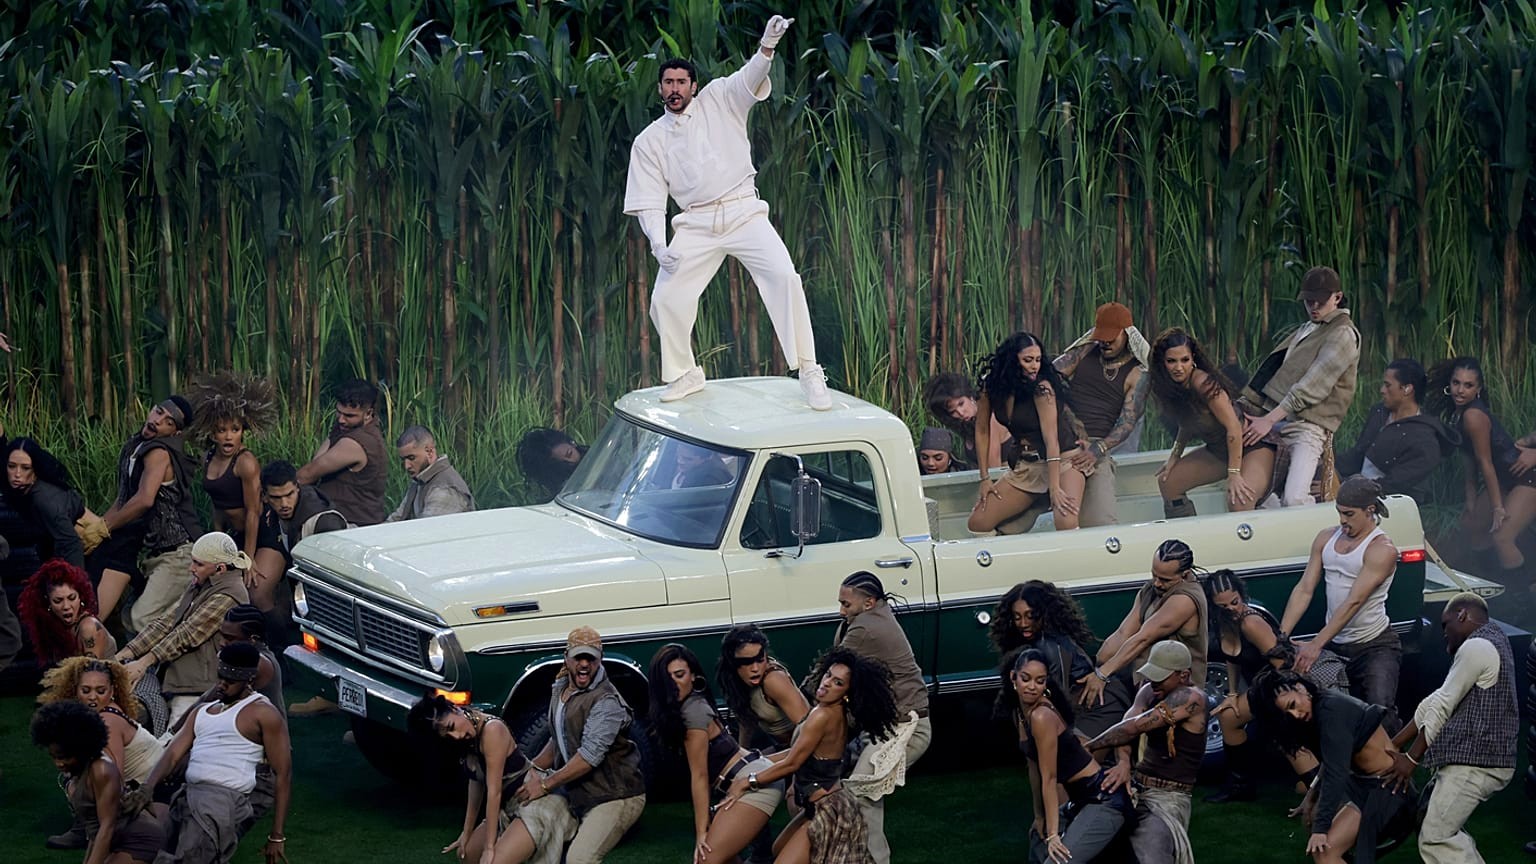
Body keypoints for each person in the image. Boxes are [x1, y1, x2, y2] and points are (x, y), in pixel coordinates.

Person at [623, 16, 831, 411]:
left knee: (785, 277)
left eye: (681, 82)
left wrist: (767, 47)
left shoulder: (720, 97)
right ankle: (685, 373)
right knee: (664, 298)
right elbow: (649, 199)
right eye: (668, 83)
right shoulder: (648, 140)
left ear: (694, 86)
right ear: (660, 89)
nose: (674, 89)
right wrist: (658, 245)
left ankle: (808, 369)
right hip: (695, 223)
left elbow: (749, 78)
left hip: (743, 211)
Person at [722, 646, 897, 864]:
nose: (827, 683)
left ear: (847, 693)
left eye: (838, 683)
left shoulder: (822, 716)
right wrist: (754, 762)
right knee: (778, 848)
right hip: (820, 806)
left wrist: (748, 781)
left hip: (828, 811)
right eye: (828, 675)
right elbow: (797, 755)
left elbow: (791, 764)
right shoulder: (829, 711)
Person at [1382, 594, 1517, 863]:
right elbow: (1434, 702)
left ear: (1462, 615)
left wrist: (1411, 759)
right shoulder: (1492, 640)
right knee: (1428, 820)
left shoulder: (1476, 646)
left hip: (1476, 762)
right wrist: (1394, 744)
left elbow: (1443, 705)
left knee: (1436, 836)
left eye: (1446, 624)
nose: (1444, 633)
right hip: (1477, 759)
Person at [1203, 568, 1349, 803]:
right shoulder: (1223, 621)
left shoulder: (1250, 623)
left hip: (1283, 682)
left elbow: (1284, 667)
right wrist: (1232, 693)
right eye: (1224, 606)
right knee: (1229, 716)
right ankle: (1241, 785)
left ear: (1241, 595)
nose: (1231, 609)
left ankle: (1323, 793)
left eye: (1234, 602)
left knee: (1279, 726)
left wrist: (1269, 702)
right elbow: (1232, 657)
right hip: (1262, 685)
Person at [144, 642, 292, 864]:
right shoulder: (202, 711)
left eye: (230, 681)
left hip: (220, 802)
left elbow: (283, 774)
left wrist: (277, 835)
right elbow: (172, 754)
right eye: (220, 677)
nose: (221, 685)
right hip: (187, 796)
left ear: (249, 679)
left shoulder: (263, 713)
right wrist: (147, 788)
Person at [1248, 670, 1415, 864]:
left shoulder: (1330, 710)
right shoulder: (1315, 713)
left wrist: (1320, 830)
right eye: (1287, 714)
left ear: (1300, 688)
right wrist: (1311, 795)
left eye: (1292, 705)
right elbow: (1330, 759)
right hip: (1363, 786)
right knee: (1312, 819)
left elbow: (1337, 772)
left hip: (1389, 789)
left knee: (1324, 851)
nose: (1296, 715)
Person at [511, 626, 647, 864]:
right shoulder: (561, 686)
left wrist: (544, 784)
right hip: (579, 793)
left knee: (579, 860)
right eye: (578, 657)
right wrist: (530, 770)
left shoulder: (606, 701)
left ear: (600, 660)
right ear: (567, 658)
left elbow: (588, 757)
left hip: (614, 796)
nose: (584, 664)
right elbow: (558, 738)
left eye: (590, 658)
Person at [1278, 477, 1402, 732]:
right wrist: (1281, 637)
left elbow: (1354, 601)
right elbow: (1304, 589)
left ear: (1369, 510)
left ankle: (1395, 755)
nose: (1343, 520)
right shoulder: (1326, 538)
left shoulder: (1381, 549)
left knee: (1381, 711)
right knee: (1336, 713)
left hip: (1374, 645)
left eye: (1349, 514)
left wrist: (1315, 645)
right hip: (1336, 644)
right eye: (1339, 513)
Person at [648, 643, 783, 864]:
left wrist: (701, 833)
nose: (673, 684)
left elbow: (699, 776)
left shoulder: (693, 712)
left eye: (680, 675)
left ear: (693, 676)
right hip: (741, 778)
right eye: (667, 678)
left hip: (752, 782)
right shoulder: (685, 707)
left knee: (705, 859)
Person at [1240, 266, 1361, 506]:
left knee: (1294, 499)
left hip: (1310, 427)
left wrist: (1268, 421)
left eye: (1320, 301)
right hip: (1281, 421)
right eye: (1308, 301)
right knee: (1255, 495)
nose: (1314, 306)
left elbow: (1311, 387)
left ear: (1337, 297)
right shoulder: (1308, 328)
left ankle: (1324, 522)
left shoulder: (1343, 333)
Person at [833, 572, 932, 864]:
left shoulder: (866, 628)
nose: (841, 611)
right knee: (844, 790)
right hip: (884, 727)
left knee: (862, 793)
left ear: (869, 603)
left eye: (846, 604)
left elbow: (833, 673)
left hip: (906, 729)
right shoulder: (868, 619)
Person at [1002, 648, 1132, 864]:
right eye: (1026, 679)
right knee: (1037, 841)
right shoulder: (1020, 713)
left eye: (1040, 681)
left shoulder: (1042, 716)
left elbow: (1050, 778)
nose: (1032, 687)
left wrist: (1054, 835)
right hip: (1079, 801)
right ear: (1013, 677)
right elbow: (1033, 768)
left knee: (1057, 860)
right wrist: (1040, 816)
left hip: (1102, 799)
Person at [1428, 356, 1536, 613]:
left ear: (1478, 389)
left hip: (1526, 478)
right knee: (1473, 525)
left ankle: (1523, 604)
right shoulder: (1460, 415)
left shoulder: (1474, 415)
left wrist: (1498, 508)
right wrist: (1471, 498)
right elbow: (1470, 459)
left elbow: (1486, 464)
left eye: (1468, 385)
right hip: (1507, 478)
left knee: (1502, 536)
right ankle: (1494, 587)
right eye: (1456, 383)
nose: (1460, 390)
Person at [408, 693, 568, 864]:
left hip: (533, 800)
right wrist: (466, 832)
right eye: (447, 735)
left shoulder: (492, 730)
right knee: (467, 854)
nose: (456, 736)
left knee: (493, 861)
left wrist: (489, 847)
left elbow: (494, 792)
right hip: (508, 806)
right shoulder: (468, 737)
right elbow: (476, 783)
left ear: (455, 709)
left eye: (451, 727)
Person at [1085, 640, 1207, 864]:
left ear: (1183, 675)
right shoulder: (1150, 690)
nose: (1153, 682)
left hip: (1168, 798)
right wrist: (1123, 762)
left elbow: (1134, 728)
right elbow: (1127, 725)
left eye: (1160, 677)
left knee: (1150, 854)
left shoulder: (1192, 699)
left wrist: (1090, 746)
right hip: (1137, 785)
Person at [113, 532, 251, 726]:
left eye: (198, 564)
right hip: (177, 678)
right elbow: (166, 622)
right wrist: (121, 656)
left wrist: (143, 663)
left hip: (197, 687)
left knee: (173, 739)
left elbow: (186, 634)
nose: (191, 568)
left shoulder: (228, 595)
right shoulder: (202, 583)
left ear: (220, 568)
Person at [93, 396, 204, 632]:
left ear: (175, 433)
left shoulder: (159, 452)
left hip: (179, 553)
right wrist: (99, 527)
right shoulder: (137, 446)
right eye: (158, 412)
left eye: (168, 422)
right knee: (127, 618)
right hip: (156, 554)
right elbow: (123, 500)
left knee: (140, 619)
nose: (158, 421)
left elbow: (144, 499)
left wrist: (104, 528)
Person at [37, 657, 167, 851]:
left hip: (156, 792)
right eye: (86, 690)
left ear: (112, 691)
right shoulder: (90, 717)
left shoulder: (108, 720)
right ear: (75, 690)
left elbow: (115, 777)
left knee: (77, 781)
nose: (93, 697)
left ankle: (90, 830)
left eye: (100, 691)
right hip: (139, 786)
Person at [970, 332, 1089, 533]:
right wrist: (985, 478)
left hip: (1063, 460)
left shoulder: (1042, 388)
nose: (1034, 366)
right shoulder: (991, 387)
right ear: (1012, 360)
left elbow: (1051, 440)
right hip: (1028, 465)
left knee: (1065, 521)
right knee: (978, 522)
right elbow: (982, 431)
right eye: (1028, 360)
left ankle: (1046, 499)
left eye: (1038, 360)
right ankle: (1036, 503)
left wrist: (1055, 488)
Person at [1149, 328, 1275, 517]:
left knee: (1239, 501)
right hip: (1219, 451)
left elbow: (1233, 427)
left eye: (1184, 360)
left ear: (1193, 359)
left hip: (1250, 446)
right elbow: (1187, 421)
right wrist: (1175, 455)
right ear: (1162, 362)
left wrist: (1234, 473)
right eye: (1171, 361)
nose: (1178, 367)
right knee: (1168, 482)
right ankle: (1186, 535)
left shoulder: (1203, 383)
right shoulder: (1171, 387)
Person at [187, 372, 285, 613]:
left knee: (255, 592)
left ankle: (279, 634)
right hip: (235, 536)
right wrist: (217, 543)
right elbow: (217, 505)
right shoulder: (208, 457)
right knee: (216, 588)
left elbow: (253, 512)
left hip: (263, 533)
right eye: (222, 430)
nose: (229, 436)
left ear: (243, 431)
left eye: (235, 429)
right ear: (213, 433)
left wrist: (247, 559)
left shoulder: (245, 462)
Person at [988, 580, 1129, 739]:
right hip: (1076, 709)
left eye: (1031, 616)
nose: (1023, 623)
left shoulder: (1050, 646)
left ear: (1044, 613)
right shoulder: (1026, 644)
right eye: (1017, 617)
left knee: (1071, 750)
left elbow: (1057, 700)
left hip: (1099, 705)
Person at [1053, 301, 1152, 526]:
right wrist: (1070, 417)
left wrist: (1098, 449)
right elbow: (1050, 375)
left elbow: (1127, 422)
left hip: (1098, 445)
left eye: (1111, 338)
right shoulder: (1087, 350)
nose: (1105, 343)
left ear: (1126, 334)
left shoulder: (1138, 373)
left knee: (1102, 522)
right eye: (1101, 337)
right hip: (1064, 439)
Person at [30, 700, 165, 864]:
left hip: (140, 840)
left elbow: (106, 827)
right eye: (54, 757)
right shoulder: (78, 771)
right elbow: (95, 831)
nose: (59, 763)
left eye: (64, 757)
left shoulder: (101, 770)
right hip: (114, 838)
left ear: (79, 748)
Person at [1080, 539, 1210, 708]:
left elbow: (1143, 638)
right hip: (1147, 685)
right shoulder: (1151, 590)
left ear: (1184, 575)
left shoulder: (1185, 600)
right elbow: (1123, 633)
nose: (1157, 583)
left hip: (1177, 693)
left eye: (1165, 579)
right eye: (1154, 575)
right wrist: (1095, 666)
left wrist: (1103, 674)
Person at [1334, 358, 1457, 504]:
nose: (1382, 390)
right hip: (1354, 486)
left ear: (1407, 389)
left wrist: (1346, 489)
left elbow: (1394, 484)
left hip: (1386, 502)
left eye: (1388, 385)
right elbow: (1358, 454)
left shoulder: (1425, 439)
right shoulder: (1379, 412)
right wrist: (1330, 471)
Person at [296, 378, 387, 527]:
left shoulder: (359, 441)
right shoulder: (346, 428)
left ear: (368, 413)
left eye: (349, 416)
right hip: (337, 519)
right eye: (339, 412)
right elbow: (317, 462)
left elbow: (307, 475)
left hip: (354, 525)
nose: (341, 420)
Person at [714, 624, 809, 751]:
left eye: (760, 660)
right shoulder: (735, 681)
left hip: (804, 749)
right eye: (746, 662)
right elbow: (746, 723)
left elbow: (809, 728)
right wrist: (741, 755)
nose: (755, 668)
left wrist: (787, 760)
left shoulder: (773, 680)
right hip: (784, 748)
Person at [4, 435, 87, 567]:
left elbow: (71, 544)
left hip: (90, 547)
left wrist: (75, 579)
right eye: (11, 466)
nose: (17, 474)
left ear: (35, 470)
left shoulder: (43, 499)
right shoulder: (25, 491)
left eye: (25, 468)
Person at [19, 559, 115, 664]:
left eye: (72, 598)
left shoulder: (88, 627)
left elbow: (92, 671)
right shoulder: (53, 627)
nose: (66, 606)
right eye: (58, 601)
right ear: (48, 602)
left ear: (80, 597)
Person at [258, 461, 348, 557]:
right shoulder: (269, 514)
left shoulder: (324, 522)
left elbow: (335, 559)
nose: (284, 504)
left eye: (289, 494)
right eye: (276, 498)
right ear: (264, 496)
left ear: (297, 488)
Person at [386, 425, 475, 522]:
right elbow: (398, 517)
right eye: (403, 460)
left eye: (412, 458)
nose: (407, 466)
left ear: (430, 452)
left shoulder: (444, 488)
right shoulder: (420, 480)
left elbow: (427, 528)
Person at [923, 372, 1009, 469]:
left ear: (970, 397)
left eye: (961, 403)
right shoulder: (968, 426)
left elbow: (993, 470)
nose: (960, 412)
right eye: (953, 411)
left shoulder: (990, 420)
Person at [515, 427, 587, 499]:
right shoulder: (566, 495)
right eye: (561, 465)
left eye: (570, 454)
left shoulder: (593, 457)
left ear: (572, 443)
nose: (571, 462)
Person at [654, 442, 733, 489]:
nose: (679, 461)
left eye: (687, 459)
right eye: (678, 455)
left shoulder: (710, 481)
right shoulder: (668, 457)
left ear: (706, 459)